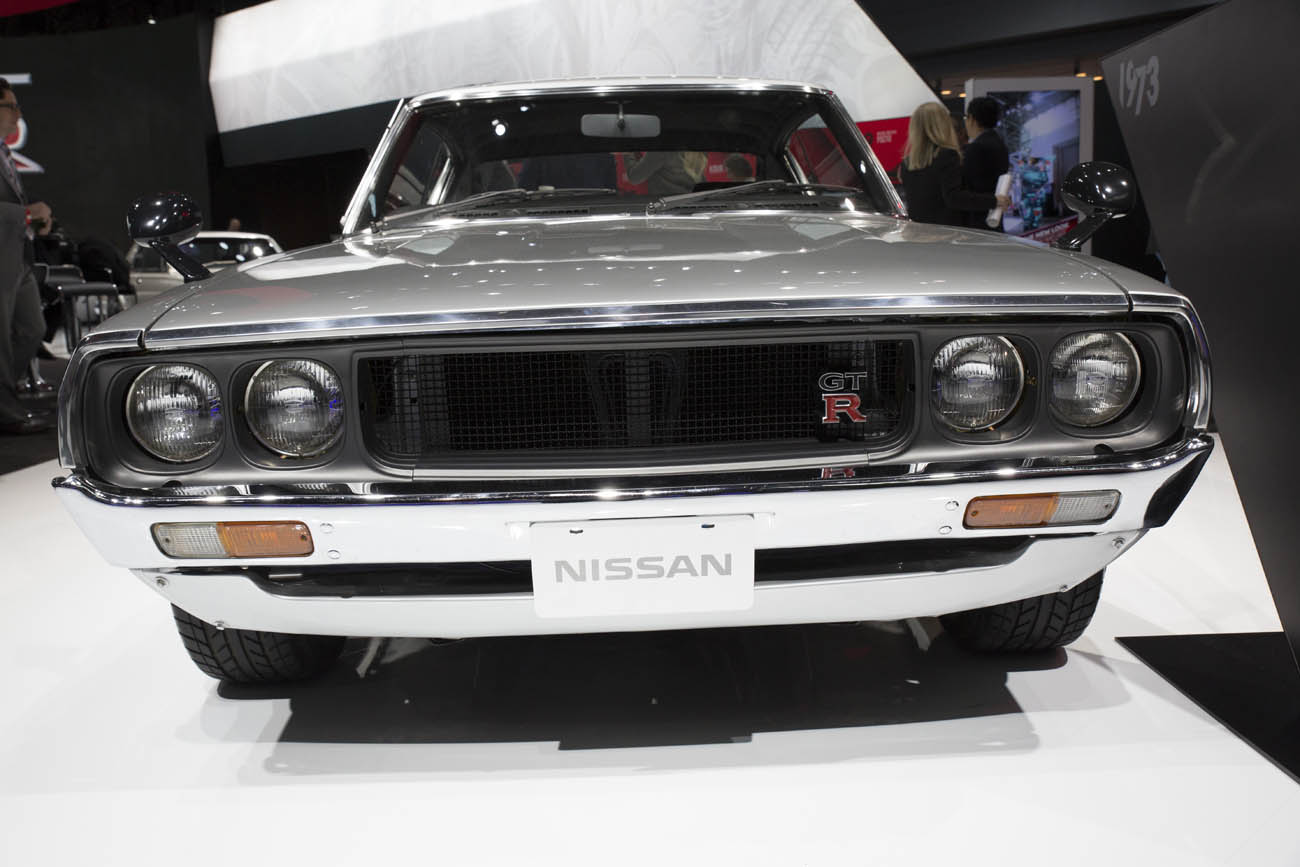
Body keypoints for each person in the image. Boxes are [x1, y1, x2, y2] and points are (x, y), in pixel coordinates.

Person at [0, 77, 54, 434]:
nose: (19, 113)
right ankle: (5, 410)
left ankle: (5, 398)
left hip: (18, 253)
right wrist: (29, 214)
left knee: (32, 329)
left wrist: (36, 220)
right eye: (12, 105)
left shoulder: (4, 153)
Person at [896, 102, 1009, 228]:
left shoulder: (907, 163)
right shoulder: (947, 155)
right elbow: (954, 197)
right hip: (946, 233)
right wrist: (994, 201)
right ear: (943, 124)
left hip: (918, 231)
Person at [962, 96, 1011, 229]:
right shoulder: (1000, 144)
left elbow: (969, 188)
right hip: (995, 218)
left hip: (978, 221)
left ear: (971, 118)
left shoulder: (976, 148)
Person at [623, 151, 707, 196]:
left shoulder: (662, 150)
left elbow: (634, 177)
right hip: (692, 208)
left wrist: (627, 151)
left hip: (665, 209)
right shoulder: (699, 147)